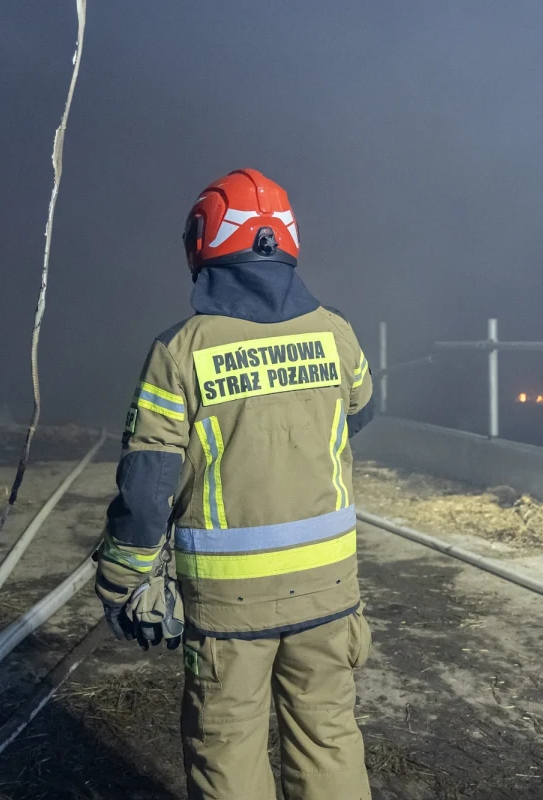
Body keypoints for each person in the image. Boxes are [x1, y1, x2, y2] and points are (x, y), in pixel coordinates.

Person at [94, 168, 376, 800]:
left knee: (227, 749)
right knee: (329, 737)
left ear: (205, 243)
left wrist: (120, 580)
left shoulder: (179, 352)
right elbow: (361, 413)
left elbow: (146, 491)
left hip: (229, 607)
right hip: (330, 592)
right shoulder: (336, 333)